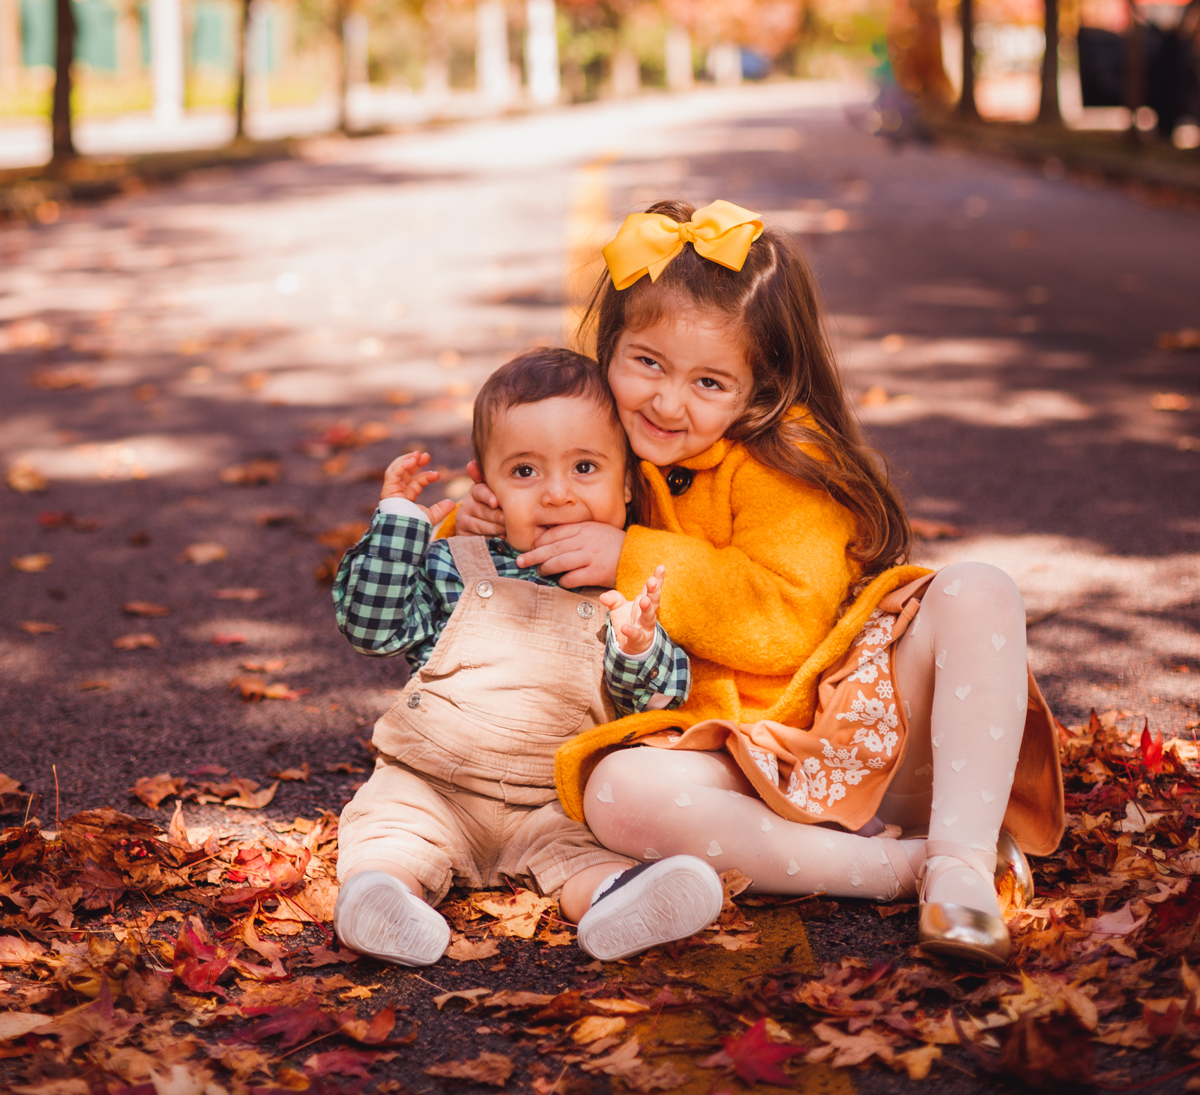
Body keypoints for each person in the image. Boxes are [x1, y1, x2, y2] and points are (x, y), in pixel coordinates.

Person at [451, 199, 1064, 967]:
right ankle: (899, 869)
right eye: (647, 363)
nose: (667, 401)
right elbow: (521, 539)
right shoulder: (598, 444)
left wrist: (630, 554)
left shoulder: (786, 456)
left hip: (863, 733)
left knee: (978, 589)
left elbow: (788, 623)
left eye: (709, 381)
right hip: (728, 764)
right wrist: (475, 522)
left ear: (760, 386)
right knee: (615, 794)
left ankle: (962, 862)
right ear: (611, 348)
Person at [330, 345, 725, 966]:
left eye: (585, 467)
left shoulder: (625, 585)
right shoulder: (455, 565)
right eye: (524, 472)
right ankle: (385, 901)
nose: (557, 494)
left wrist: (635, 644)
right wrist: (401, 524)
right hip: (431, 784)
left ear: (626, 484)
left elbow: (661, 697)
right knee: (389, 838)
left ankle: (618, 903)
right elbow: (371, 629)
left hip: (552, 802)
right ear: (486, 489)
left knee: (586, 858)